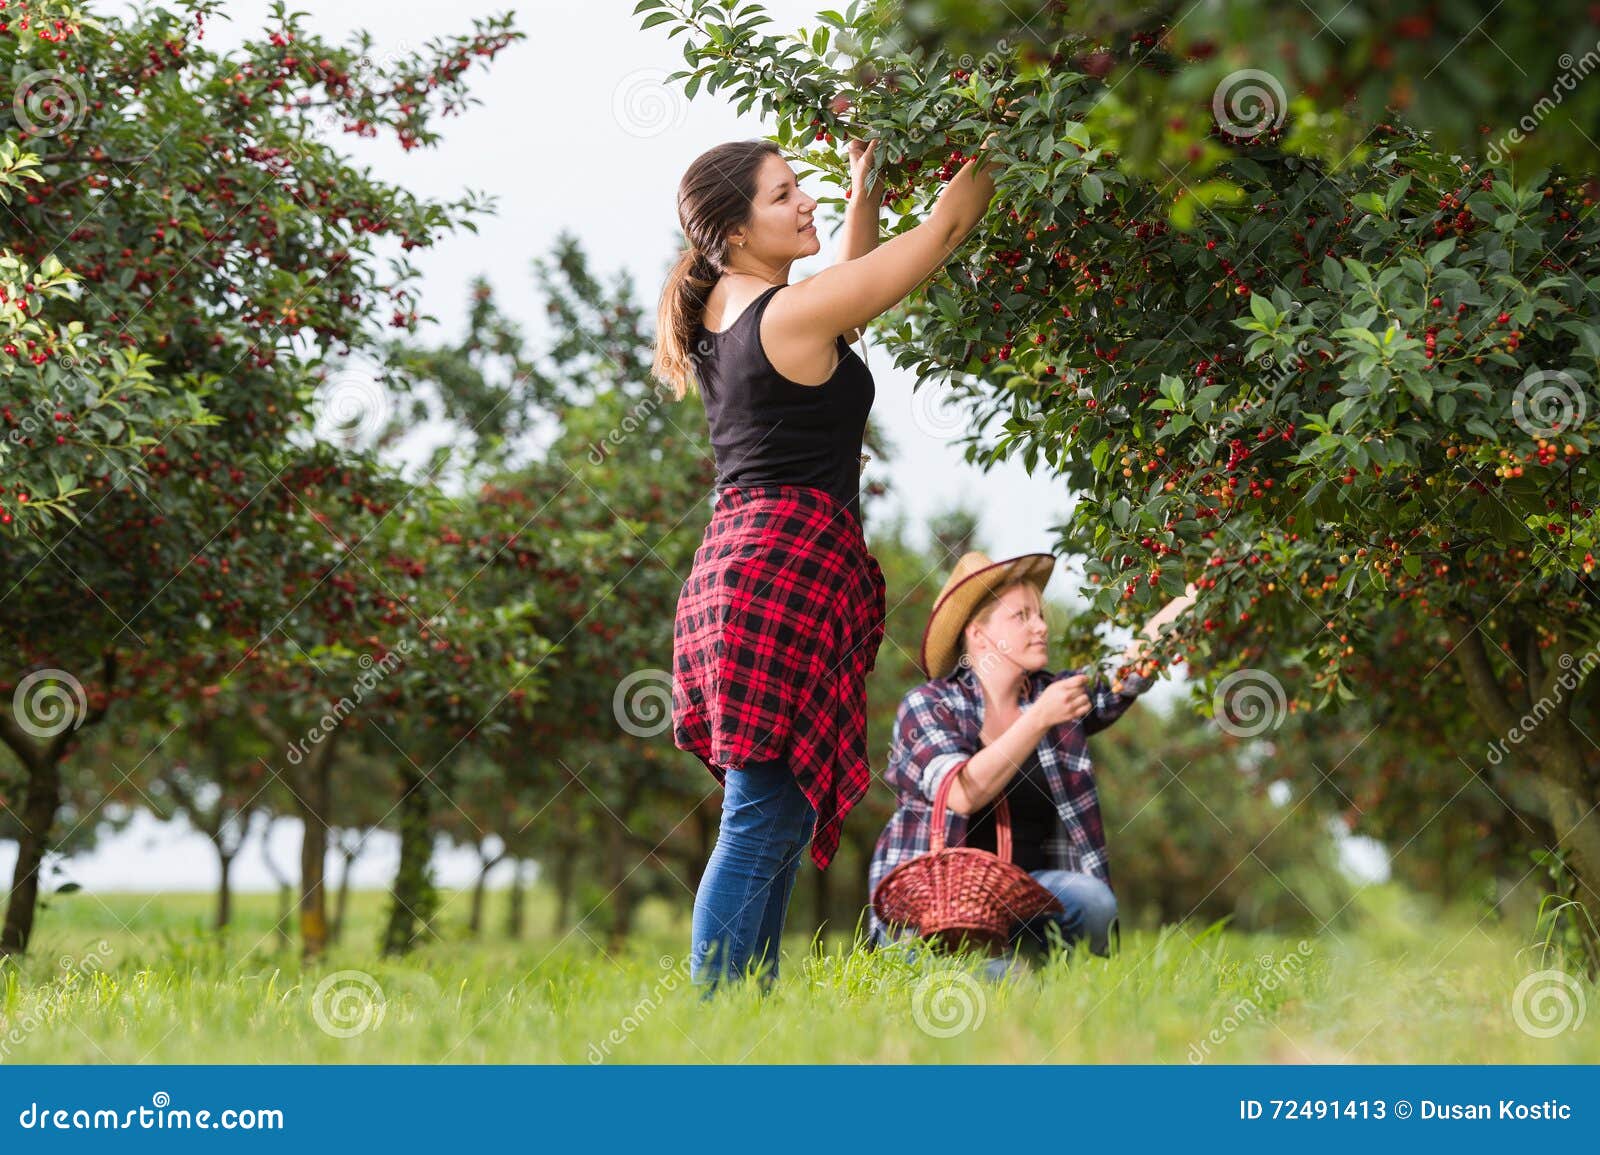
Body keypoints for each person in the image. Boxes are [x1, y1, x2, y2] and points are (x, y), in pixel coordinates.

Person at [653, 133, 1003, 993]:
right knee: (761, 810)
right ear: (733, 233)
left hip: (750, 570)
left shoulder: (735, 311)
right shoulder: (782, 315)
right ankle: (716, 1011)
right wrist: (1015, 125)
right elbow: (945, 232)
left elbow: (846, 298)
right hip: (779, 571)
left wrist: (863, 183)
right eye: (783, 195)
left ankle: (745, 1008)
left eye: (801, 187)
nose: (802, 202)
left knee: (773, 808)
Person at [867, 550, 1196, 969]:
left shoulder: (1050, 693)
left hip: (1026, 903)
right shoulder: (929, 705)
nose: (1041, 627)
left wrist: (1194, 594)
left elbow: (1131, 666)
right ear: (979, 635)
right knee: (991, 983)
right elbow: (963, 792)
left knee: (1094, 901)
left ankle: (1029, 965)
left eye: (1039, 615)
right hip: (936, 919)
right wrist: (1038, 719)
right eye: (1021, 616)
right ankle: (998, 972)